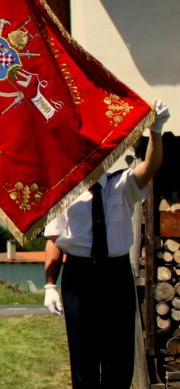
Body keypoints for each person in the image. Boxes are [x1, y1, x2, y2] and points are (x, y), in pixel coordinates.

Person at [43, 100, 170, 389]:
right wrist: (50, 284)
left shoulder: (122, 185)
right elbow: (54, 241)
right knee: (83, 358)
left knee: (119, 358)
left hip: (115, 275)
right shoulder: (64, 192)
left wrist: (157, 131)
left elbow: (151, 166)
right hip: (79, 276)